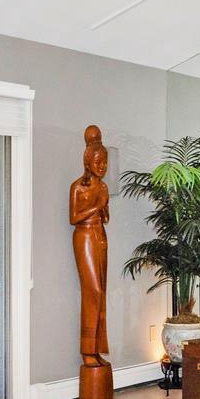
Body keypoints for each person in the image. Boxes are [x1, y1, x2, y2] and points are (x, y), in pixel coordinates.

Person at [69, 125, 111, 368]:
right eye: (98, 162)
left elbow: (106, 217)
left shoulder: (103, 187)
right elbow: (74, 217)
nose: (102, 166)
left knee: (101, 292)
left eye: (105, 162)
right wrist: (98, 206)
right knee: (92, 290)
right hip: (84, 236)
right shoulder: (78, 186)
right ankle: (86, 350)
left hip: (100, 234)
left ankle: (96, 349)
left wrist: (103, 208)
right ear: (88, 162)